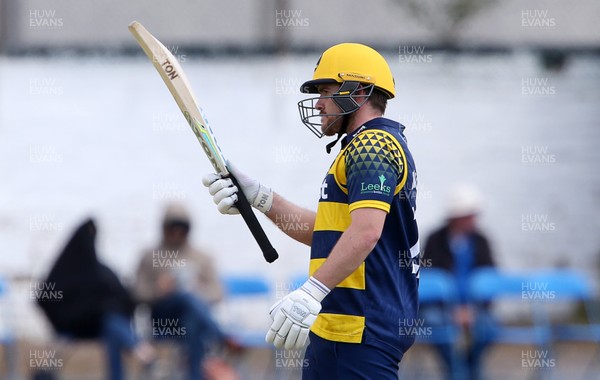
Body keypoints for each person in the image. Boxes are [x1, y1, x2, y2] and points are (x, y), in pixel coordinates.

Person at [202, 43, 420, 379]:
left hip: (361, 329)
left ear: (358, 92)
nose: (318, 102)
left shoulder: (372, 144)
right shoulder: (359, 147)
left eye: (326, 91)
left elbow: (366, 232)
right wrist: (259, 197)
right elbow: (331, 234)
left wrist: (310, 292)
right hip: (338, 329)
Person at [36, 218, 154, 380]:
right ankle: (140, 349)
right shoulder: (65, 271)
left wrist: (103, 308)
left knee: (111, 326)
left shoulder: (101, 271)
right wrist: (83, 312)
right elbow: (45, 298)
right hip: (75, 327)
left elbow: (124, 298)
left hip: (104, 327)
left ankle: (133, 353)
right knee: (110, 320)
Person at [134, 202, 231, 380]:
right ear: (164, 229)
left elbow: (218, 293)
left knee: (191, 318)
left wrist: (200, 290)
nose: (177, 234)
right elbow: (137, 294)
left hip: (192, 318)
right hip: (163, 317)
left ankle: (194, 375)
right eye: (172, 229)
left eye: (181, 229)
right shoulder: (149, 256)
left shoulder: (202, 257)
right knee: (185, 298)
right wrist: (159, 289)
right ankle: (221, 336)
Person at [422, 184, 496, 380]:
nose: (473, 219)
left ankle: (467, 368)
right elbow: (425, 282)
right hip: (441, 308)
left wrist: (471, 309)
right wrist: (452, 310)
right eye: (469, 214)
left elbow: (491, 280)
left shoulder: (481, 241)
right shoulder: (435, 240)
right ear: (457, 216)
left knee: (490, 326)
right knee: (434, 322)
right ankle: (456, 371)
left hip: (474, 307)